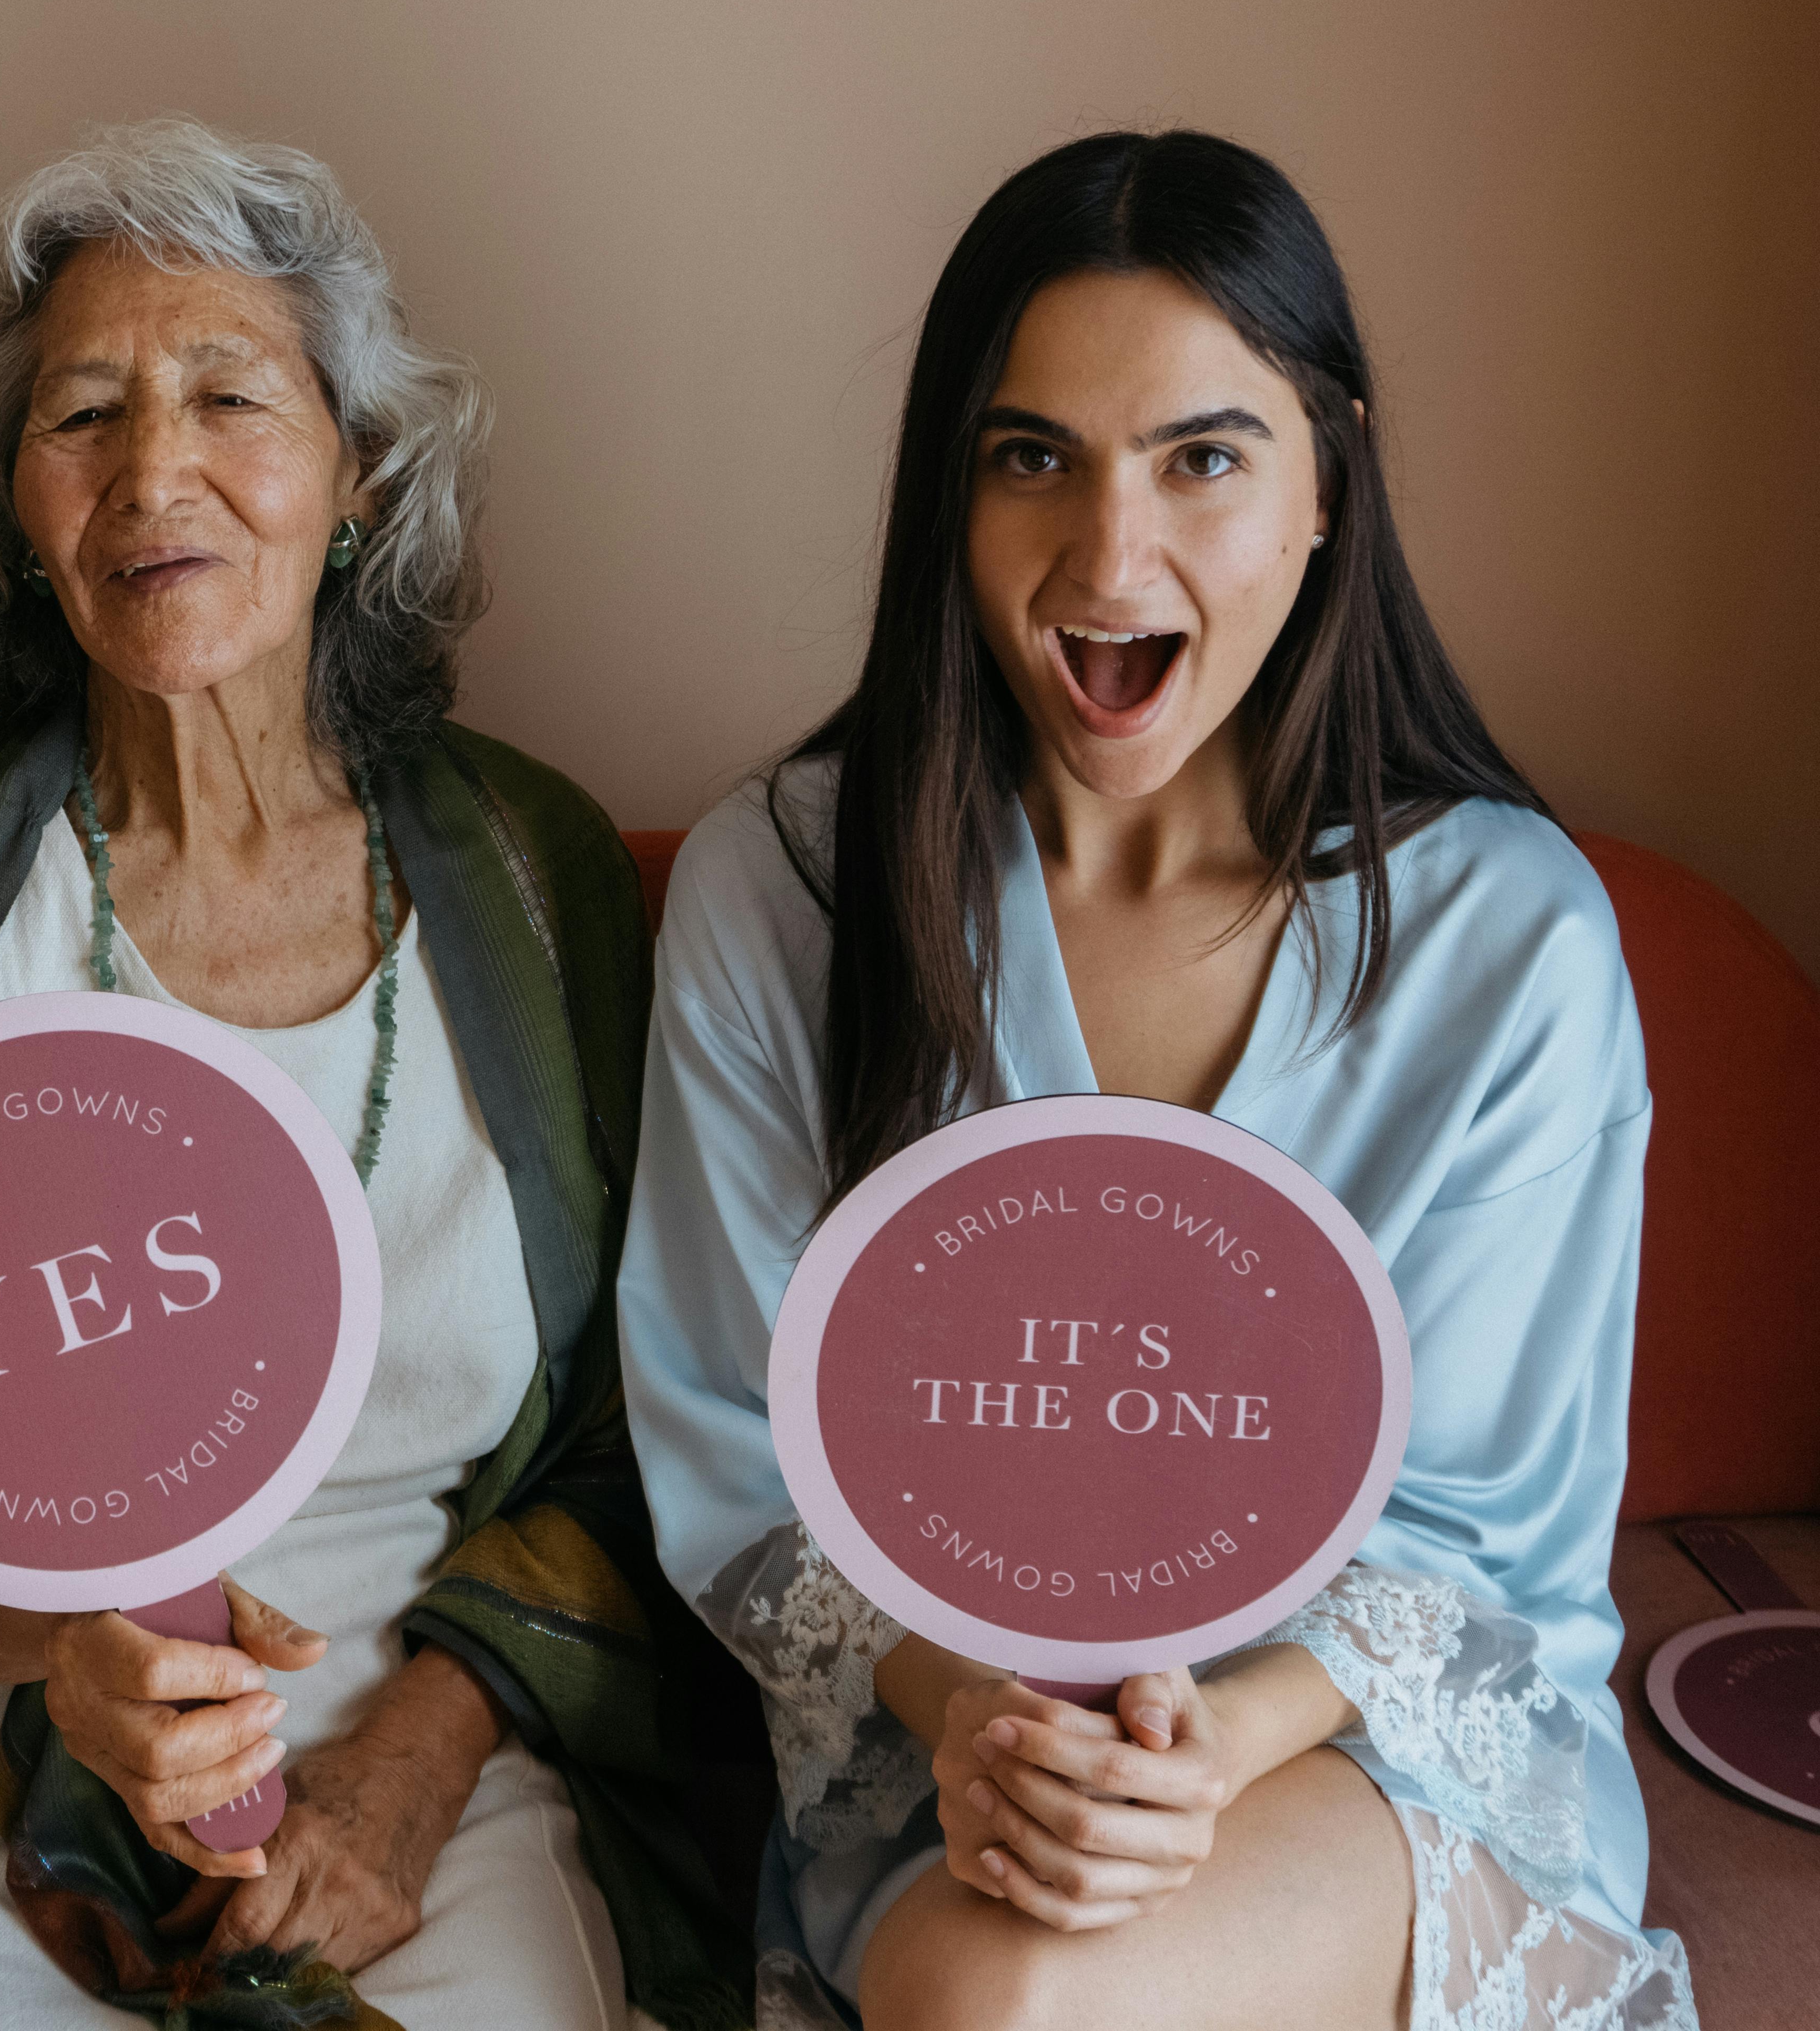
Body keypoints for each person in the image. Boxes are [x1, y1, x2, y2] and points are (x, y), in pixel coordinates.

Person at [616, 129, 1697, 2030]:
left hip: (1359, 1739)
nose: (1111, 560)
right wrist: (979, 1717)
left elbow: (1479, 1534)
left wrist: (1209, 1750)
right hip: (941, 1727)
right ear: (949, 497)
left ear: (1329, 481)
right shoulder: (782, 891)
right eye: (1032, 457)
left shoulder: (1510, 942)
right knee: (999, 1990)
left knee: (1034, 2006)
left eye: (1205, 456)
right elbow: (736, 1442)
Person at [0, 119, 746, 2030]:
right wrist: (52, 1651)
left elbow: (656, 1408)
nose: (152, 474)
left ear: (355, 476)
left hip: (426, 1713)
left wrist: (423, 1754)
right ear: (18, 510)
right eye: (83, 413)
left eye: (228, 397)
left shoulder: (538, 887)